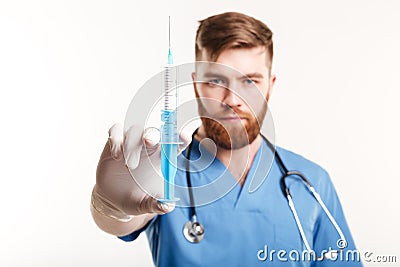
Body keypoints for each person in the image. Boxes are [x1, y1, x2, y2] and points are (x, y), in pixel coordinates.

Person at [91, 12, 363, 266]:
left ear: (271, 85)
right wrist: (111, 205)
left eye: (250, 81)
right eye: (217, 82)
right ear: (196, 84)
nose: (233, 100)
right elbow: (123, 222)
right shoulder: (162, 171)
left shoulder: (311, 182)